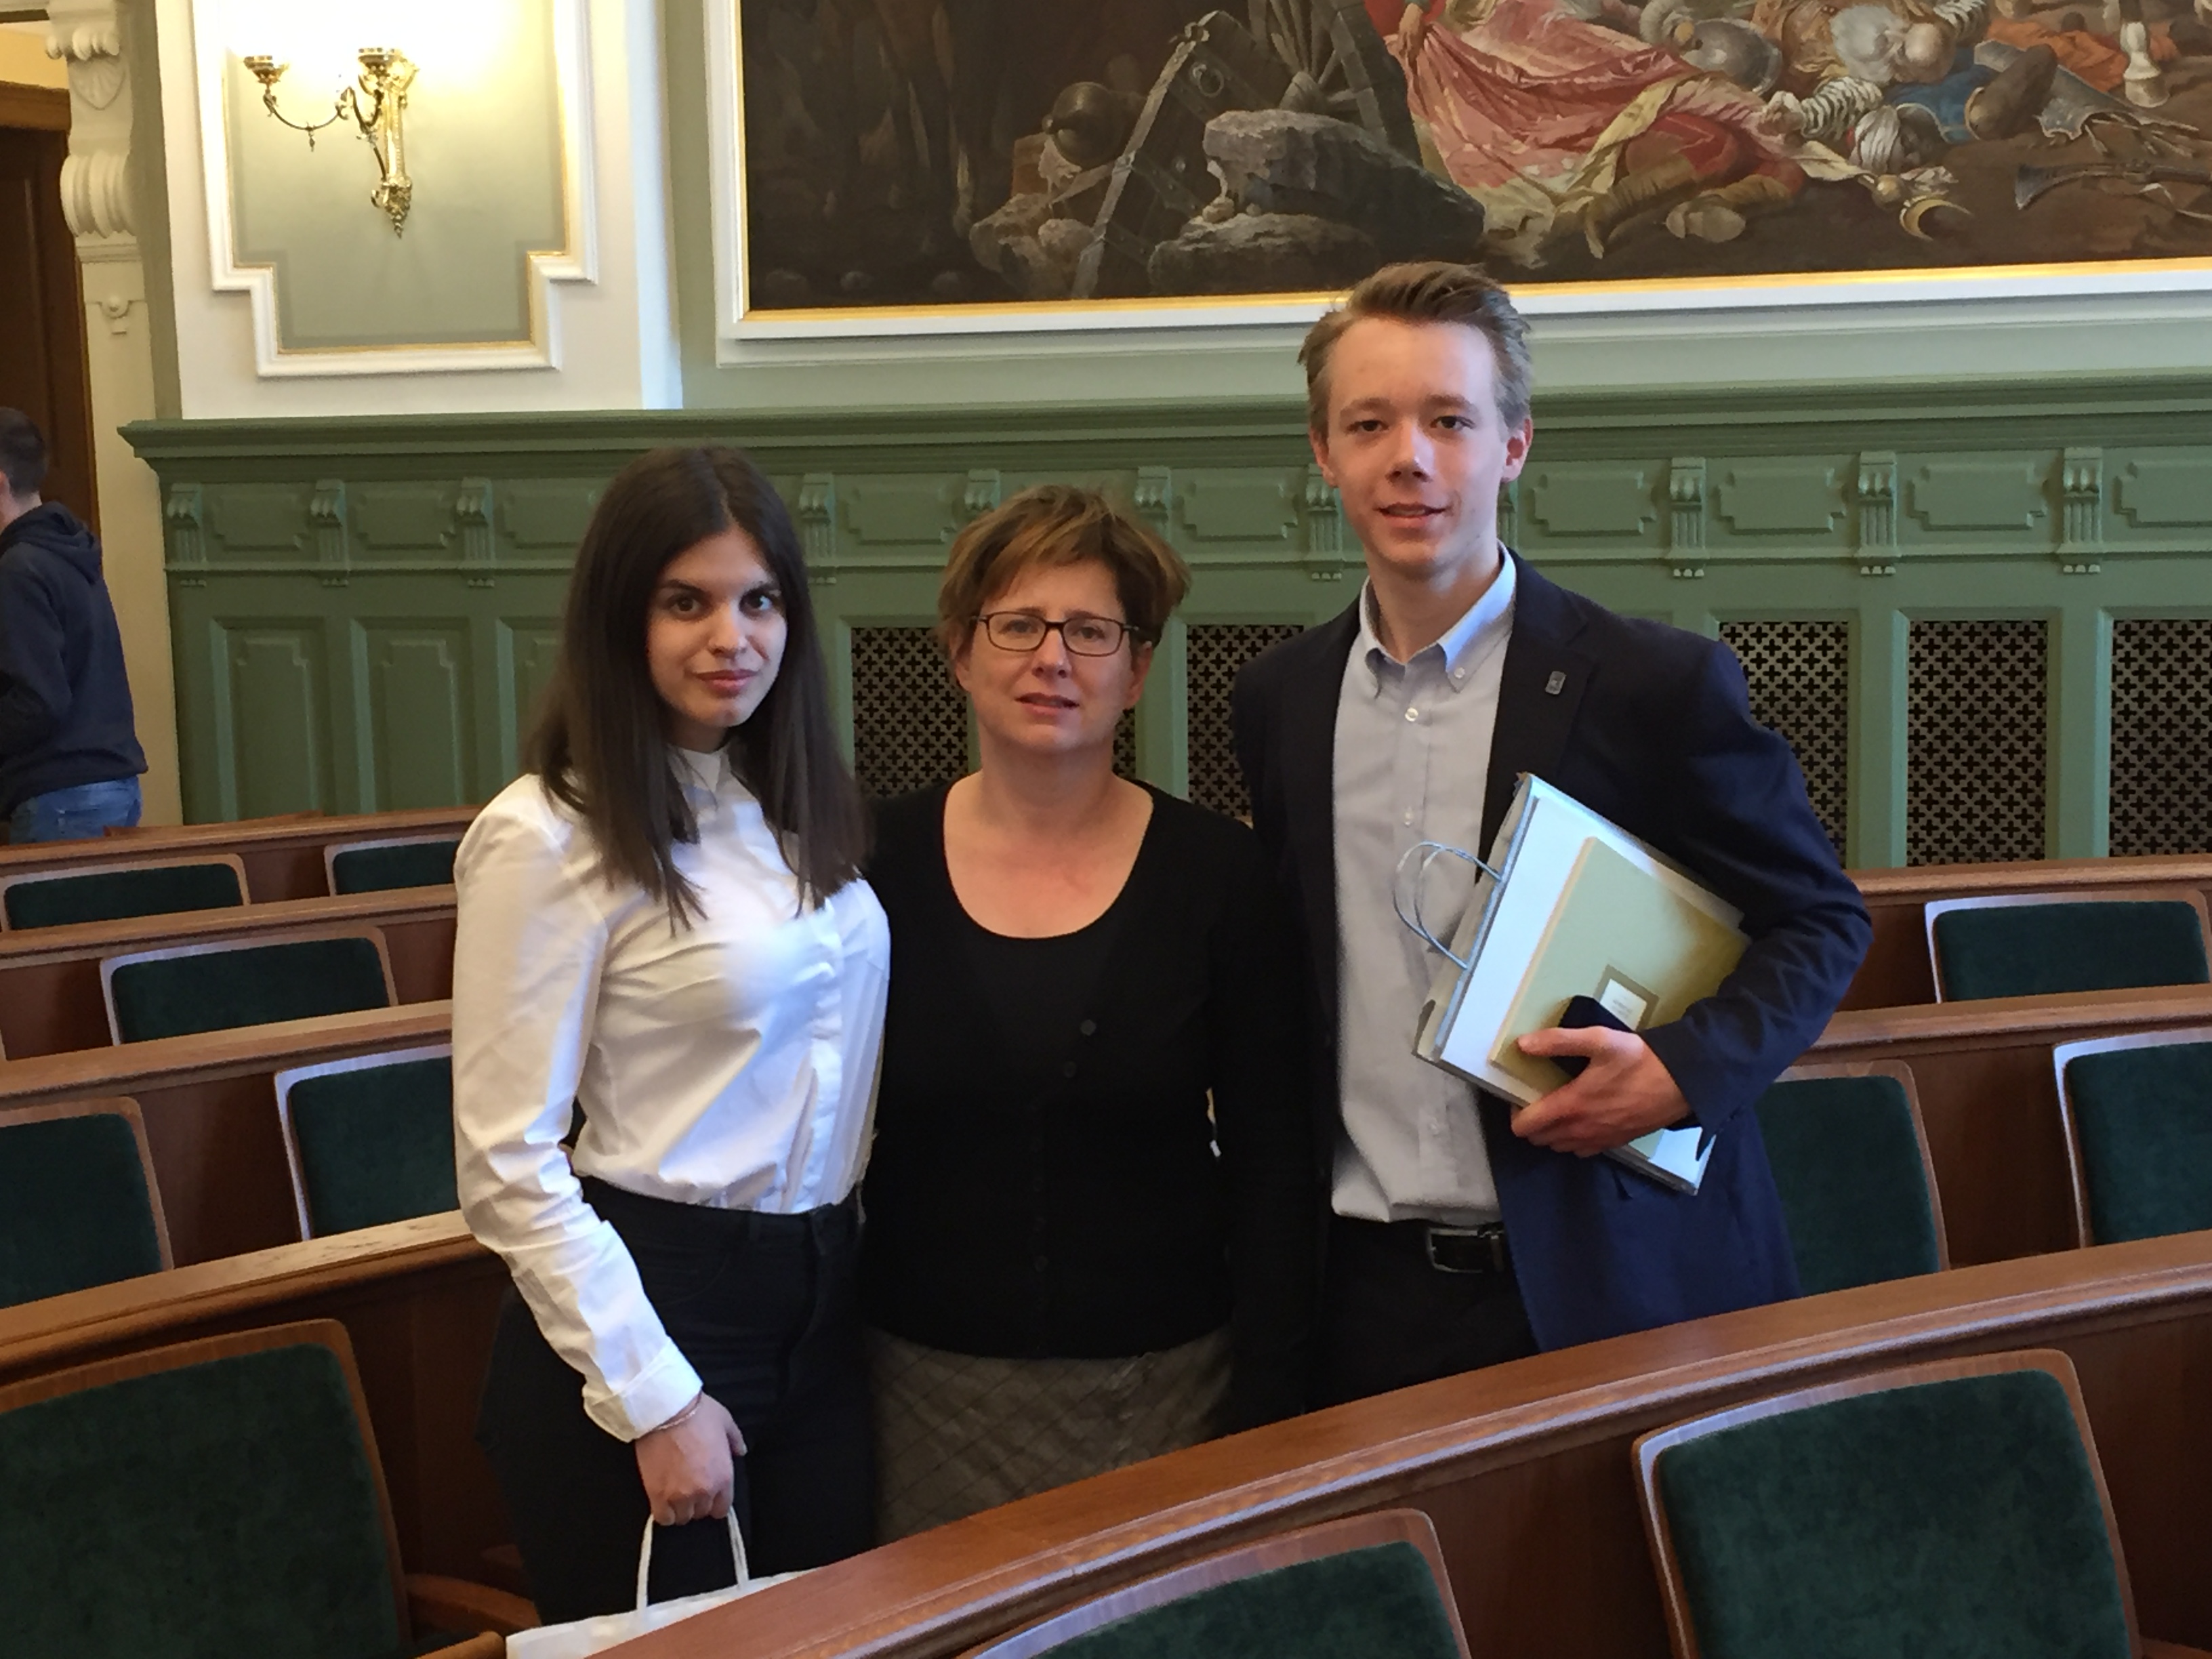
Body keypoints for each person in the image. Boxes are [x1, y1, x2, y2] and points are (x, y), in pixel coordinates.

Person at [1231, 262, 1871, 1406]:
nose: (1409, 458)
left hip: (1609, 1276)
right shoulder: (1279, 698)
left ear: (1513, 445)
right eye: (1369, 424)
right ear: (1323, 453)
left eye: (1448, 420)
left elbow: (1819, 921)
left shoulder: (1651, 684)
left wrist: (1681, 1072)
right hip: (1362, 1296)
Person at [453, 446, 886, 1620]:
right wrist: (655, 1395)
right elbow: (504, 1162)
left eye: (760, 601)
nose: (730, 638)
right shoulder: (549, 834)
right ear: (620, 617)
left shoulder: (792, 805)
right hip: (654, 1315)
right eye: (685, 602)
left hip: (820, 1309)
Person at [860, 484, 1318, 1540]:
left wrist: (1271, 1407)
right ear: (960, 652)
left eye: (1091, 631)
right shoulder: (869, 866)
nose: (1052, 658)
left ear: (1137, 669)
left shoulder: (1221, 875)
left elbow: (1275, 1160)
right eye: (1017, 625)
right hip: (920, 1394)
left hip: (1172, 1393)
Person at [0, 408, 146, 842]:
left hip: (61, 796)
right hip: (107, 786)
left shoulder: (18, 569)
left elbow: (38, 701)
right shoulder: (66, 548)